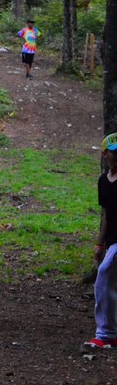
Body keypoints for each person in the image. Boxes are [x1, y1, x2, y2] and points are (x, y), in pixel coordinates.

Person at [86, 133, 117, 351]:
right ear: (104, 154)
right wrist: (100, 244)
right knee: (106, 278)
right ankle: (110, 334)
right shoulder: (103, 182)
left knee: (104, 274)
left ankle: (105, 334)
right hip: (113, 240)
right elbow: (106, 214)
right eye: (114, 152)